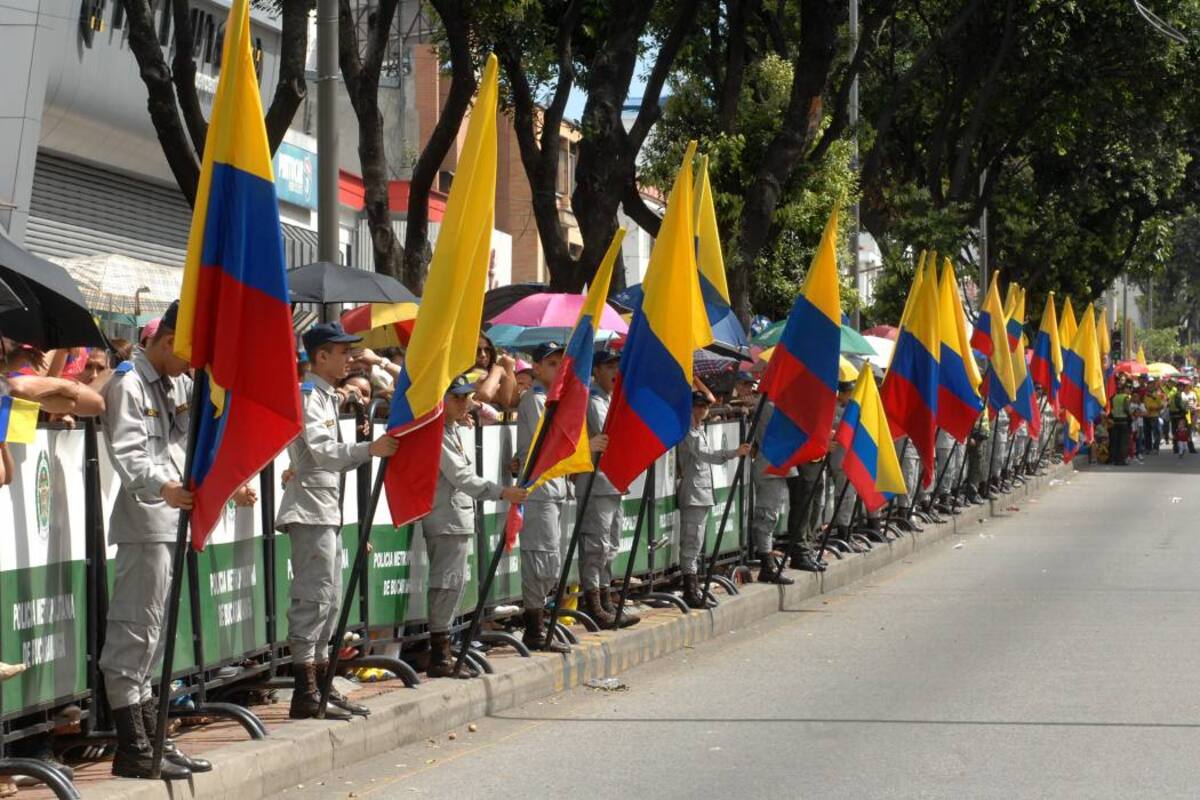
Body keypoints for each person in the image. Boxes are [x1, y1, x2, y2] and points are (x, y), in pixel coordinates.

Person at [97, 301, 222, 780]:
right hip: (147, 520)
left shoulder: (177, 382)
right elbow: (130, 455)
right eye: (187, 353)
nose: (193, 365)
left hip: (172, 522)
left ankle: (154, 740)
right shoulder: (128, 382)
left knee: (152, 635)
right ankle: (133, 747)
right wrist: (165, 487)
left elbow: (185, 443)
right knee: (134, 632)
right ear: (167, 341)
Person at [275, 322, 398, 721]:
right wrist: (370, 448)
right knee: (312, 599)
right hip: (310, 509)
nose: (349, 358)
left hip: (325, 509)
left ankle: (322, 686)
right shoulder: (309, 394)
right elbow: (324, 452)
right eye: (341, 352)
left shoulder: (326, 395)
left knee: (327, 601)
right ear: (320, 356)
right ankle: (306, 691)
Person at [424, 375, 527, 677]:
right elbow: (462, 478)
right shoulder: (438, 433)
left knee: (454, 584)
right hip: (446, 518)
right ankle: (440, 654)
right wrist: (502, 492)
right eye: (456, 397)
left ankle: (445, 646)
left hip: (457, 517)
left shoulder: (453, 429)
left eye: (466, 396)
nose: (464, 402)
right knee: (446, 584)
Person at [514, 342, 572, 653]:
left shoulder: (549, 401)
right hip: (539, 490)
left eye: (560, 363)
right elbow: (548, 441)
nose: (558, 368)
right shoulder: (535, 401)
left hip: (555, 488)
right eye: (551, 363)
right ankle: (534, 629)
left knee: (552, 560)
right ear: (535, 368)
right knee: (541, 560)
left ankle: (542, 622)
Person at [675, 392, 751, 607]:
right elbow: (704, 454)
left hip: (702, 493)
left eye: (705, 407)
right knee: (691, 543)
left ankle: (694, 588)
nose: (702, 410)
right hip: (693, 494)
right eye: (697, 406)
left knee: (697, 543)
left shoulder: (699, 429)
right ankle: (690, 591)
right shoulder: (688, 431)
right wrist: (733, 453)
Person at [576, 347, 628, 628]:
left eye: (616, 367)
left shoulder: (609, 399)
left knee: (611, 545)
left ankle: (605, 598)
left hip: (611, 483)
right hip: (596, 483)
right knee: (596, 546)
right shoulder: (594, 400)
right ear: (596, 370)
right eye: (608, 367)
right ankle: (593, 603)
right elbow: (607, 433)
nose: (614, 372)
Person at [750, 401, 796, 585]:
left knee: (770, 517)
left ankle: (767, 562)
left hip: (776, 465)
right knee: (767, 517)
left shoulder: (775, 403)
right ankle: (767, 566)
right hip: (771, 465)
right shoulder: (770, 405)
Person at [1108, 379, 1131, 466]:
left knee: (1115, 441)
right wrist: (1130, 417)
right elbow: (1126, 409)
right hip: (1124, 421)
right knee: (1123, 441)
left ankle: (1115, 459)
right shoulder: (1126, 397)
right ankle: (1122, 460)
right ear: (1123, 390)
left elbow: (1111, 409)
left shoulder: (1113, 398)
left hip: (1115, 421)